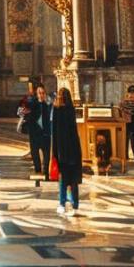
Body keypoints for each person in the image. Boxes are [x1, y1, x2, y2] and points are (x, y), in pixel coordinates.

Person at [52, 88, 84, 216]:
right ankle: (75, 205)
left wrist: (54, 152)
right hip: (73, 149)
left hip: (61, 150)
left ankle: (62, 204)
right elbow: (74, 132)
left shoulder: (56, 110)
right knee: (73, 179)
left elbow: (54, 132)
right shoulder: (71, 110)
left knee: (63, 179)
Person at [16, 79, 40, 161]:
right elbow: (20, 111)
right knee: (32, 138)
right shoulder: (27, 98)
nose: (29, 89)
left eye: (30, 87)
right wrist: (24, 111)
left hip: (37, 122)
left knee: (36, 138)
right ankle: (32, 152)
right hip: (29, 121)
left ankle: (35, 153)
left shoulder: (39, 98)